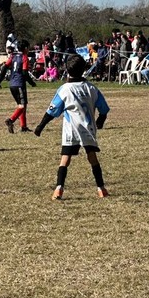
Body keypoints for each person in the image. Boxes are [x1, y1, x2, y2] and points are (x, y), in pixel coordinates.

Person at [33, 55, 110, 201]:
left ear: (67, 70)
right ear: (84, 69)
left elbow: (51, 111)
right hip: (88, 129)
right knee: (92, 158)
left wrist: (40, 126)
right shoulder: (91, 88)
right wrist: (100, 120)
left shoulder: (65, 89)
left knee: (65, 159)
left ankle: (59, 189)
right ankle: (101, 189)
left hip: (71, 131)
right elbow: (104, 108)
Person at [0, 40, 37, 133]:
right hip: (19, 84)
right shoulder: (24, 57)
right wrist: (32, 83)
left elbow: (4, 67)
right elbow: (24, 73)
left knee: (22, 105)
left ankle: (23, 127)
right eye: (28, 48)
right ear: (25, 49)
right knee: (22, 106)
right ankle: (11, 120)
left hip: (12, 84)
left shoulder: (13, 56)